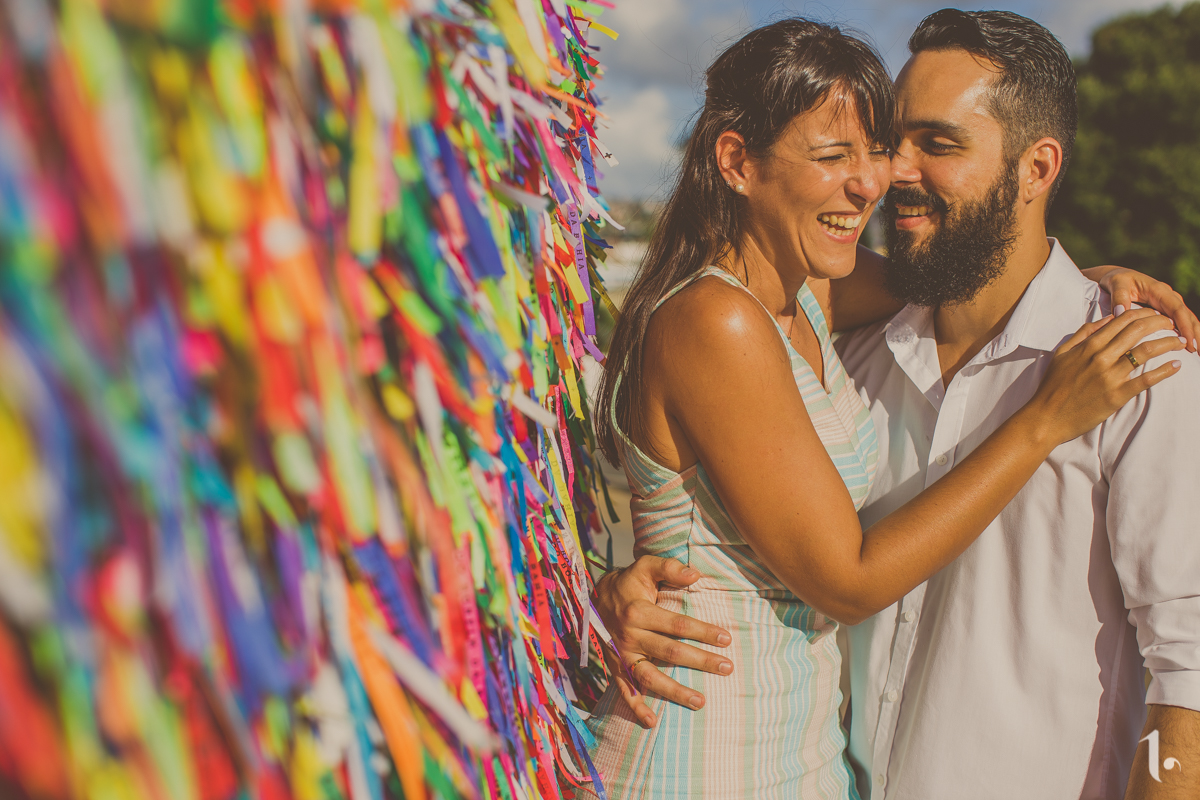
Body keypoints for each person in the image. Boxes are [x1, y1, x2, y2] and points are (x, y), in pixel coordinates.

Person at [582, 14, 1195, 800]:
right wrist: (612, 590)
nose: (887, 175)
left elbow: (1188, 681)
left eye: (934, 143)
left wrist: (1082, 285)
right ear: (736, 161)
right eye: (879, 142)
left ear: (1037, 168)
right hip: (726, 759)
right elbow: (833, 574)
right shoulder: (818, 336)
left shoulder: (1138, 369)